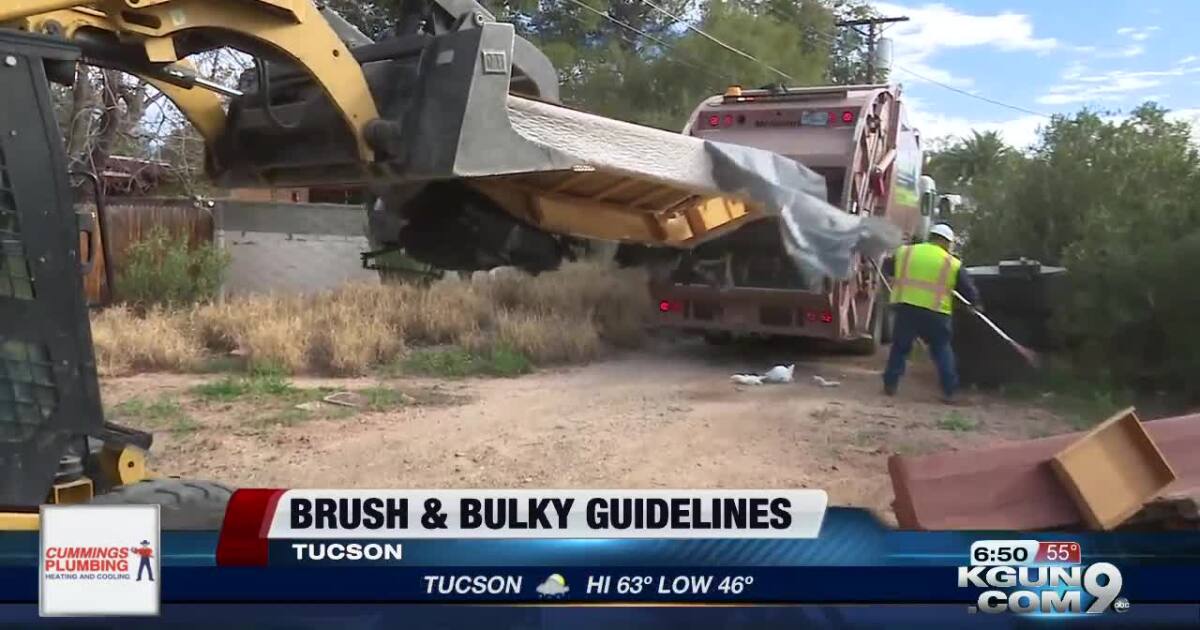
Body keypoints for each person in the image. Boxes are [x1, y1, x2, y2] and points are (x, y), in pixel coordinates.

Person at [880, 223, 980, 403]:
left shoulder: (906, 252)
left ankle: (890, 385)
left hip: (906, 307)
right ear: (947, 242)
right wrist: (974, 304)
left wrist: (894, 277)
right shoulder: (952, 263)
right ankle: (950, 391)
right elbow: (968, 289)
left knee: (900, 347)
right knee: (941, 349)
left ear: (931, 237)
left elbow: (887, 267)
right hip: (936, 312)